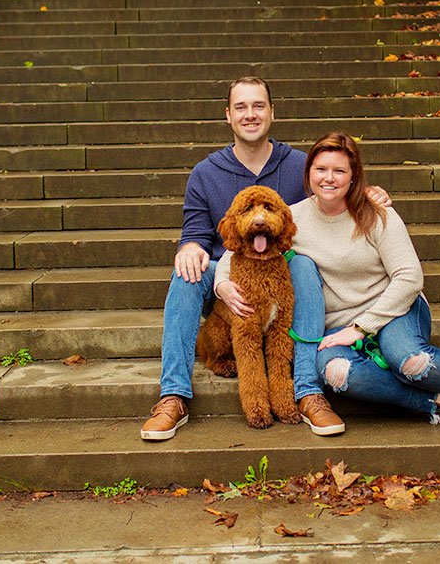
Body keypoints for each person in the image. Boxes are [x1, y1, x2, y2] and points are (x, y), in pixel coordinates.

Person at [216, 132, 440, 432]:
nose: (329, 178)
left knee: (411, 362)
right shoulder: (291, 218)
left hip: (394, 309)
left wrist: (361, 328)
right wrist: (222, 285)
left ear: (354, 176)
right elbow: (240, 249)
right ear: (309, 174)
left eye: (339, 171)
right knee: (335, 373)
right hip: (337, 327)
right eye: (321, 169)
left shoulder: (376, 214)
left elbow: (409, 277)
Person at [141, 78, 388, 441]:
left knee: (303, 263)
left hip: (279, 269)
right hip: (223, 273)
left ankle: (306, 391)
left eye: (258, 106)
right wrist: (191, 248)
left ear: (272, 112)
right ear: (228, 115)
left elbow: (332, 192)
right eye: (241, 107)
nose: (250, 114)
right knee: (187, 273)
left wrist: (366, 193)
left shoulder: (300, 167)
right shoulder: (205, 173)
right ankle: (173, 396)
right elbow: (194, 232)